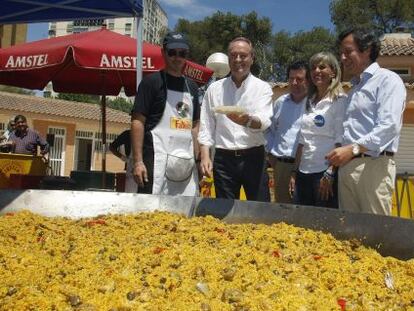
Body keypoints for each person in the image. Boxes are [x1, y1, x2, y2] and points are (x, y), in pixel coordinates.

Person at [327, 28, 406, 215]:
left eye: (348, 52)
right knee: (351, 234)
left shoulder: (388, 80)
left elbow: (389, 126)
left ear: (367, 50)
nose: (343, 58)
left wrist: (352, 149)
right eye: (341, 53)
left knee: (376, 234)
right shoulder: (353, 90)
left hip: (373, 168)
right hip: (347, 168)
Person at [198, 37, 273, 202]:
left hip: (254, 157)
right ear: (228, 58)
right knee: (224, 210)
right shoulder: (214, 89)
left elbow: (264, 121)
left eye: (243, 55)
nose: (238, 60)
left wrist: (246, 121)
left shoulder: (262, 88)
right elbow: (206, 126)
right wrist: (205, 156)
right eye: (233, 55)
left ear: (252, 58)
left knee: (259, 207)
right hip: (223, 159)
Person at [131, 31, 200, 195]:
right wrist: (138, 162)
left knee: (187, 213)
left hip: (185, 164)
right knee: (150, 213)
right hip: (155, 161)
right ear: (163, 52)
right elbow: (137, 122)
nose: (177, 57)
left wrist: (198, 159)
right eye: (172, 52)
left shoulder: (192, 87)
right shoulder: (151, 83)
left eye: (182, 53)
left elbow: (196, 125)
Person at [289, 52, 346, 208]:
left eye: (322, 67)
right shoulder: (309, 101)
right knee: (300, 223)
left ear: (333, 72)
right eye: (313, 68)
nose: (316, 71)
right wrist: (294, 173)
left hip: (324, 175)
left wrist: (330, 172)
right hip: (303, 173)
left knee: (324, 224)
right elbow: (302, 141)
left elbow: (340, 141)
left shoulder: (339, 101)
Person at [266, 61, 309, 204]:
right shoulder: (280, 102)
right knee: (282, 212)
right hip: (281, 166)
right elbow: (270, 130)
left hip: (306, 166)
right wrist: (271, 154)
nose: (295, 83)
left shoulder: (314, 104)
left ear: (308, 80)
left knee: (305, 210)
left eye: (299, 79)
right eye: (291, 79)